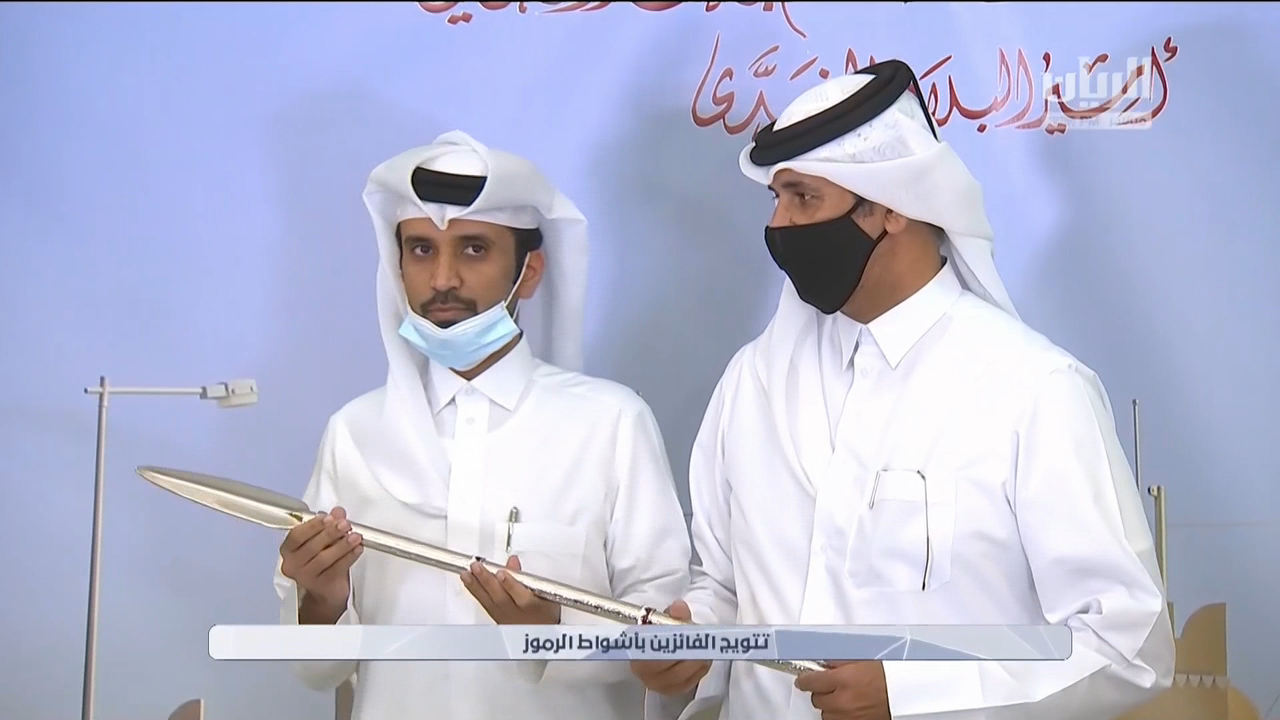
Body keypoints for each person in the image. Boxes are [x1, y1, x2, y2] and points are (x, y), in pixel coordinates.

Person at [632, 61, 1175, 720]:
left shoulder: (1032, 390)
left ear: (890, 206)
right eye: (775, 199)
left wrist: (912, 693)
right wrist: (692, 636)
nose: (778, 225)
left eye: (803, 199)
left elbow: (1126, 646)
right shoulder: (754, 381)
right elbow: (725, 586)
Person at [273, 130, 692, 720]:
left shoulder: (610, 425)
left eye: (473, 249)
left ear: (530, 271)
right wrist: (321, 600)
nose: (443, 278)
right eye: (421, 249)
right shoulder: (355, 433)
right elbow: (316, 670)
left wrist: (551, 633)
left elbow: (668, 644)